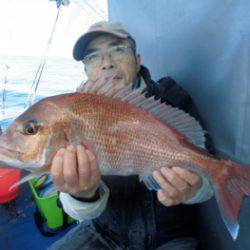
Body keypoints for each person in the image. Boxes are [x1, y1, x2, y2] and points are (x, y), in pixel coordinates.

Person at [49, 22, 214, 250]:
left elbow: (209, 173)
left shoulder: (172, 100)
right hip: (104, 234)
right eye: (93, 57)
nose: (107, 63)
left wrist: (195, 188)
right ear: (86, 71)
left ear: (137, 61)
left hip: (169, 239)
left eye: (117, 49)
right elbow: (79, 210)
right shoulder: (73, 115)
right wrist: (82, 194)